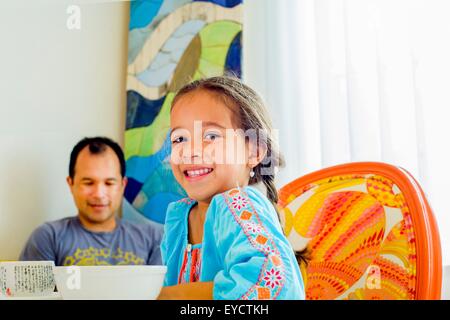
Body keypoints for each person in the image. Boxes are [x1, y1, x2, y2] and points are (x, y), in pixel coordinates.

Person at [158, 76, 306, 300]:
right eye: (179, 139)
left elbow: (274, 287)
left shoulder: (240, 203)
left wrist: (163, 297)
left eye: (211, 136)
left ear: (254, 151)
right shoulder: (178, 219)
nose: (190, 151)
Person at [19, 137, 163, 266]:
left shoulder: (153, 239)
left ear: (122, 185)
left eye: (109, 183)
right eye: (88, 183)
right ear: (71, 184)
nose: (99, 194)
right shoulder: (48, 237)